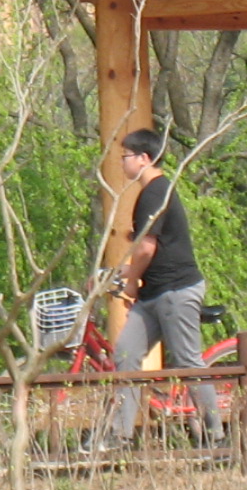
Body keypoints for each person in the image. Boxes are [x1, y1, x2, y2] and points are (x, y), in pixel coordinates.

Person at [92, 130, 222, 449]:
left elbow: (147, 248)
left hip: (176, 289)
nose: (121, 163)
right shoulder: (148, 193)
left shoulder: (155, 192)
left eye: (125, 157)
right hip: (153, 293)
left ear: (143, 159)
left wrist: (132, 281)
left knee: (187, 361)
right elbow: (148, 251)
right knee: (126, 355)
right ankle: (121, 435)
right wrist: (117, 274)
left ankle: (217, 435)